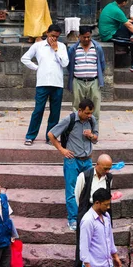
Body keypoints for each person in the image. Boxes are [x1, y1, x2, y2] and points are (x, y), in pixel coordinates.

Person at [47, 98, 98, 231]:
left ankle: (87, 216)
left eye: (91, 113)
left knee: (88, 189)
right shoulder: (69, 120)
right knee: (72, 190)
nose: (89, 116)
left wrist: (91, 135)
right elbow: (51, 134)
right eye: (87, 113)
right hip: (72, 159)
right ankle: (73, 219)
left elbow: (96, 139)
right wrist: (62, 150)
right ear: (79, 110)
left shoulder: (92, 120)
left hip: (87, 160)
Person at [21, 24, 69, 146]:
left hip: (57, 83)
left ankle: (51, 137)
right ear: (47, 33)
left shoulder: (62, 46)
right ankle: (30, 136)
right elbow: (25, 58)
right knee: (38, 110)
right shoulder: (38, 46)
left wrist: (56, 49)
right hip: (42, 83)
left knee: (55, 112)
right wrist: (37, 67)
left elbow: (65, 63)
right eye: (52, 35)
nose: (54, 39)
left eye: (57, 37)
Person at [72, 154, 113, 267]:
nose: (107, 171)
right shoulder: (85, 176)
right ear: (97, 165)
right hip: (87, 208)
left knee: (102, 239)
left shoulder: (109, 178)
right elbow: (78, 195)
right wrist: (85, 211)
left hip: (103, 209)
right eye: (105, 168)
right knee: (82, 241)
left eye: (109, 169)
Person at [98, 0, 133, 72]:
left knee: (131, 23)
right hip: (109, 35)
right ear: (124, 2)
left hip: (112, 30)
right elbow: (129, 26)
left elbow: (125, 22)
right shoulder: (117, 11)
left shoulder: (111, 6)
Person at [67, 26, 106, 119]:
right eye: (84, 37)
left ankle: (94, 131)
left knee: (95, 107)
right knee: (77, 106)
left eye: (89, 37)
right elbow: (69, 65)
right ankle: (77, 129)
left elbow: (102, 64)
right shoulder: (73, 49)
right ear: (79, 36)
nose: (86, 39)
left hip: (94, 81)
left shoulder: (97, 48)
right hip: (78, 81)